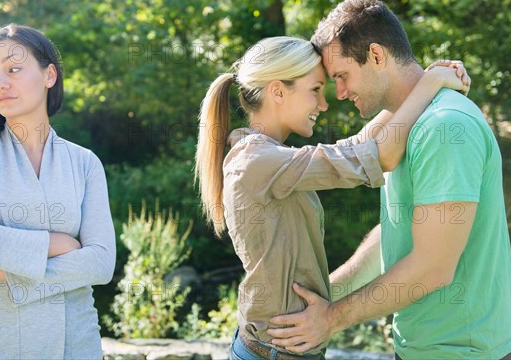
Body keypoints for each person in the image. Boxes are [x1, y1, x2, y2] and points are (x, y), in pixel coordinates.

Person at [267, 0, 511, 360]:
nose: (340, 93)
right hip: (418, 349)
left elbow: (432, 268)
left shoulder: (444, 128)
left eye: (342, 76)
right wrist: (324, 295)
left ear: (377, 56)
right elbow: (399, 232)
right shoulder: (407, 125)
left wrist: (330, 320)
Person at [194, 36, 469, 360]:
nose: (323, 105)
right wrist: (431, 83)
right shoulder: (257, 162)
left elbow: (360, 145)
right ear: (278, 92)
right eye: (315, 90)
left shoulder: (269, 156)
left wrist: (420, 83)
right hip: (273, 353)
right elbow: (381, 155)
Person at [0, 24, 116, 359]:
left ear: (49, 75)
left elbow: (102, 263)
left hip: (74, 347)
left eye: (13, 69)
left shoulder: (84, 162)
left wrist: (8, 273)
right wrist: (57, 244)